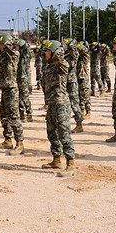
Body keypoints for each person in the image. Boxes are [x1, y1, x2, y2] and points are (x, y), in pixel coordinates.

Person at [41, 40, 76, 177]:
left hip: (61, 103)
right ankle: (56, 160)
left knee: (64, 134)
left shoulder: (62, 65)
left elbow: (62, 62)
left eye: (48, 51)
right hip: (52, 103)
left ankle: (71, 164)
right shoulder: (49, 66)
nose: (45, 53)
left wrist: (57, 52)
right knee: (51, 132)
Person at [0, 33, 24, 155]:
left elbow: (9, 48)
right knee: (4, 116)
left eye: (2, 44)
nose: (0, 46)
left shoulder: (14, 55)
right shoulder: (3, 56)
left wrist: (8, 41)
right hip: (4, 88)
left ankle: (20, 143)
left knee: (14, 117)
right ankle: (8, 140)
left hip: (12, 89)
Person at [63, 39, 84, 133]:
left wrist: (72, 45)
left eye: (67, 45)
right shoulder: (65, 55)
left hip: (71, 82)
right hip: (64, 81)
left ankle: (79, 124)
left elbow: (75, 54)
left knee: (74, 103)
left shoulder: (74, 55)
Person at [15, 39, 33, 122]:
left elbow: (27, 49)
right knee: (18, 97)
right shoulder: (16, 54)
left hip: (23, 78)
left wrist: (23, 43)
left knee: (25, 96)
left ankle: (29, 113)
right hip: (17, 77)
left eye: (17, 46)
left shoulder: (24, 55)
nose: (16, 47)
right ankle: (21, 113)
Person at [76, 40, 92, 119]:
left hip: (84, 78)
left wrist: (82, 46)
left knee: (85, 95)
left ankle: (88, 111)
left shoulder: (84, 57)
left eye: (78, 50)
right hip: (78, 77)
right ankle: (81, 111)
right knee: (79, 95)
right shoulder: (77, 58)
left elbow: (85, 51)